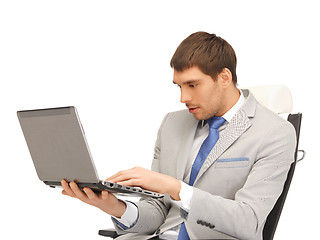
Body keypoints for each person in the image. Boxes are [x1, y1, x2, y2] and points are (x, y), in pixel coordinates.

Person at [61, 32, 296, 240]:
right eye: (179, 86)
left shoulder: (274, 133)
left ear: (224, 78)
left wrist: (177, 188)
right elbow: (156, 210)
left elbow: (249, 221)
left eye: (192, 85)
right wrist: (115, 207)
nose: (183, 97)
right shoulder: (172, 124)